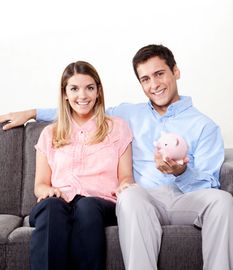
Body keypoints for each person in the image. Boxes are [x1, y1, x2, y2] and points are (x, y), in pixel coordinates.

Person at [1, 44, 233, 270]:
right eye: (145, 79)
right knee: (129, 196)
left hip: (185, 199)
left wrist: (181, 172)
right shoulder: (129, 113)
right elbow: (82, 108)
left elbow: (209, 184)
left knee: (223, 201)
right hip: (142, 197)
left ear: (176, 71)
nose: (154, 84)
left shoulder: (205, 126)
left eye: (159, 74)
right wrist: (32, 113)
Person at [23, 60, 134, 270]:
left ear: (98, 92)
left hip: (99, 204)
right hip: (60, 202)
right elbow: (40, 184)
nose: (82, 96)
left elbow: (126, 175)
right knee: (51, 207)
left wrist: (126, 185)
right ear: (65, 93)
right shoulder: (50, 133)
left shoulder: (117, 128)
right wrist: (49, 191)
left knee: (87, 206)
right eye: (74, 88)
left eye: (89, 88)